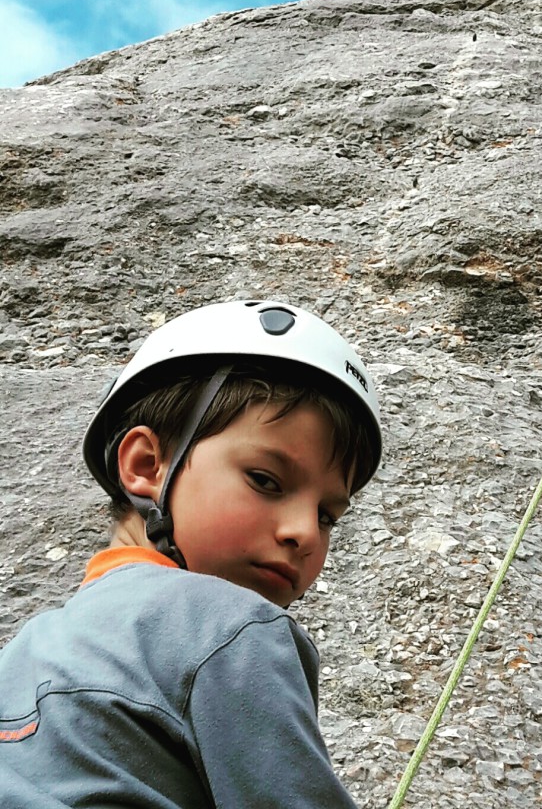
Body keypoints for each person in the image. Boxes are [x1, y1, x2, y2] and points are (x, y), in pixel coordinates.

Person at [0, 299, 383, 808]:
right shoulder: (231, 627)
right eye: (265, 481)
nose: (304, 534)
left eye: (327, 516)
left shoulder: (26, 651)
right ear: (146, 465)